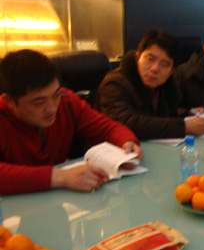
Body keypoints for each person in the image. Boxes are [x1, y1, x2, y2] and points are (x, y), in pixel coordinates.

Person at [0, 49, 142, 195]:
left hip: (56, 197)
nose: (52, 108)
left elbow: (108, 128)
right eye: (38, 102)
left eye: (55, 95)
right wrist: (61, 177)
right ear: (9, 101)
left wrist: (127, 142)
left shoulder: (66, 101)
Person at [96, 28, 204, 140]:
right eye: (150, 59)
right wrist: (184, 127)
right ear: (137, 58)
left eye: (164, 64)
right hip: (111, 149)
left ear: (171, 71)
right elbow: (125, 123)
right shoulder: (114, 83)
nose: (155, 69)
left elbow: (159, 115)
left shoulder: (167, 86)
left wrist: (187, 113)